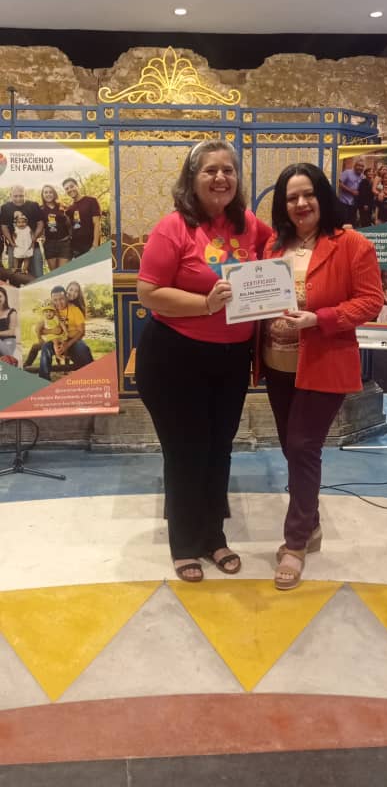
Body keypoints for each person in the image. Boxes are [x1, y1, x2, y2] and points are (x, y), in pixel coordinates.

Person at [135, 139, 271, 582]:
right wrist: (206, 304)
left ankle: (214, 536)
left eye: (228, 170)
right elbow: (149, 292)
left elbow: (282, 254)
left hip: (230, 359)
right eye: (209, 170)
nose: (220, 178)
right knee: (186, 450)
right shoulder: (172, 228)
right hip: (175, 356)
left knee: (219, 448)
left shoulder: (250, 225)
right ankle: (185, 544)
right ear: (191, 179)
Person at [258, 163, 383, 590]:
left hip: (324, 363)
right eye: (291, 197)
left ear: (323, 196)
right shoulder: (275, 247)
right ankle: (309, 525)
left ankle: (295, 544)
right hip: (277, 366)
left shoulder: (351, 244)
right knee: (294, 451)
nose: (300, 204)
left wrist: (319, 318)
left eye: (307, 194)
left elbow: (370, 301)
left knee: (303, 447)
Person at [38, 284, 93, 379]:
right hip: (56, 340)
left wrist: (68, 344)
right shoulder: (49, 311)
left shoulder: (75, 310)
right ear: (52, 300)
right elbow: (41, 330)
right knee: (45, 349)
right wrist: (53, 331)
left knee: (83, 348)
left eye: (61, 299)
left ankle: (94, 373)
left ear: (66, 297)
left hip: (73, 341)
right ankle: (43, 379)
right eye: (55, 300)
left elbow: (81, 332)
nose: (58, 302)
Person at [0, 185, 44, 278]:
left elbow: (40, 223)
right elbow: (4, 226)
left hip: (32, 246)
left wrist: (33, 238)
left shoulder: (33, 205)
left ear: (25, 194)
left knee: (38, 275)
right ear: (10, 195)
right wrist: (11, 242)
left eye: (21, 195)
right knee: (15, 276)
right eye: (15, 196)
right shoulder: (5, 207)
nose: (18, 199)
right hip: (15, 247)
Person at [62, 177, 101, 257]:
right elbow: (70, 227)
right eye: (67, 188)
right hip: (76, 248)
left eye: (72, 186)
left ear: (77, 186)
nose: (70, 189)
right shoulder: (69, 209)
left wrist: (95, 245)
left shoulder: (91, 201)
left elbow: (97, 224)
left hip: (90, 245)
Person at [40, 184, 72, 270]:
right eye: (45, 192)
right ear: (42, 195)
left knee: (63, 271)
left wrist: (71, 235)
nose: (48, 194)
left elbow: (71, 222)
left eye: (50, 192)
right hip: (50, 245)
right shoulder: (40, 209)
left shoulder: (62, 206)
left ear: (54, 194)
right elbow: (39, 226)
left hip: (64, 243)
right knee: (54, 273)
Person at [338, 158, 364, 226]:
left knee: (351, 224)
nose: (360, 168)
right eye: (359, 165)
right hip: (344, 202)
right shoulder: (347, 172)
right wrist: (351, 191)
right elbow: (340, 184)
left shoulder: (362, 176)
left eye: (362, 166)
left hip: (354, 204)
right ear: (355, 166)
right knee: (343, 223)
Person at [0, 286, 18, 359]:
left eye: (0, 296)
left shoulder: (12, 312)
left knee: (8, 357)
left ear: (5, 297)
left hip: (8, 341)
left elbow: (11, 332)